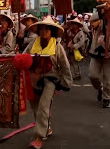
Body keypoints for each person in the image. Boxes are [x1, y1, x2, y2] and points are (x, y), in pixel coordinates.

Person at [24, 16, 73, 149]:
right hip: (34, 79)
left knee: (43, 106)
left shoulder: (57, 46)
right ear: (38, 31)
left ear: (51, 31)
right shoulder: (32, 44)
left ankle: (40, 136)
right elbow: (24, 58)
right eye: (42, 29)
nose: (44, 32)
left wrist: (66, 82)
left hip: (50, 79)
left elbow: (64, 66)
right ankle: (46, 128)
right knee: (35, 106)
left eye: (47, 29)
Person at [88, 2, 110, 108]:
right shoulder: (99, 21)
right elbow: (91, 22)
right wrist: (100, 12)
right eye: (105, 10)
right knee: (92, 75)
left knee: (108, 79)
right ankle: (99, 88)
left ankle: (106, 98)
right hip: (97, 52)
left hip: (109, 54)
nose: (107, 12)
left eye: (109, 10)